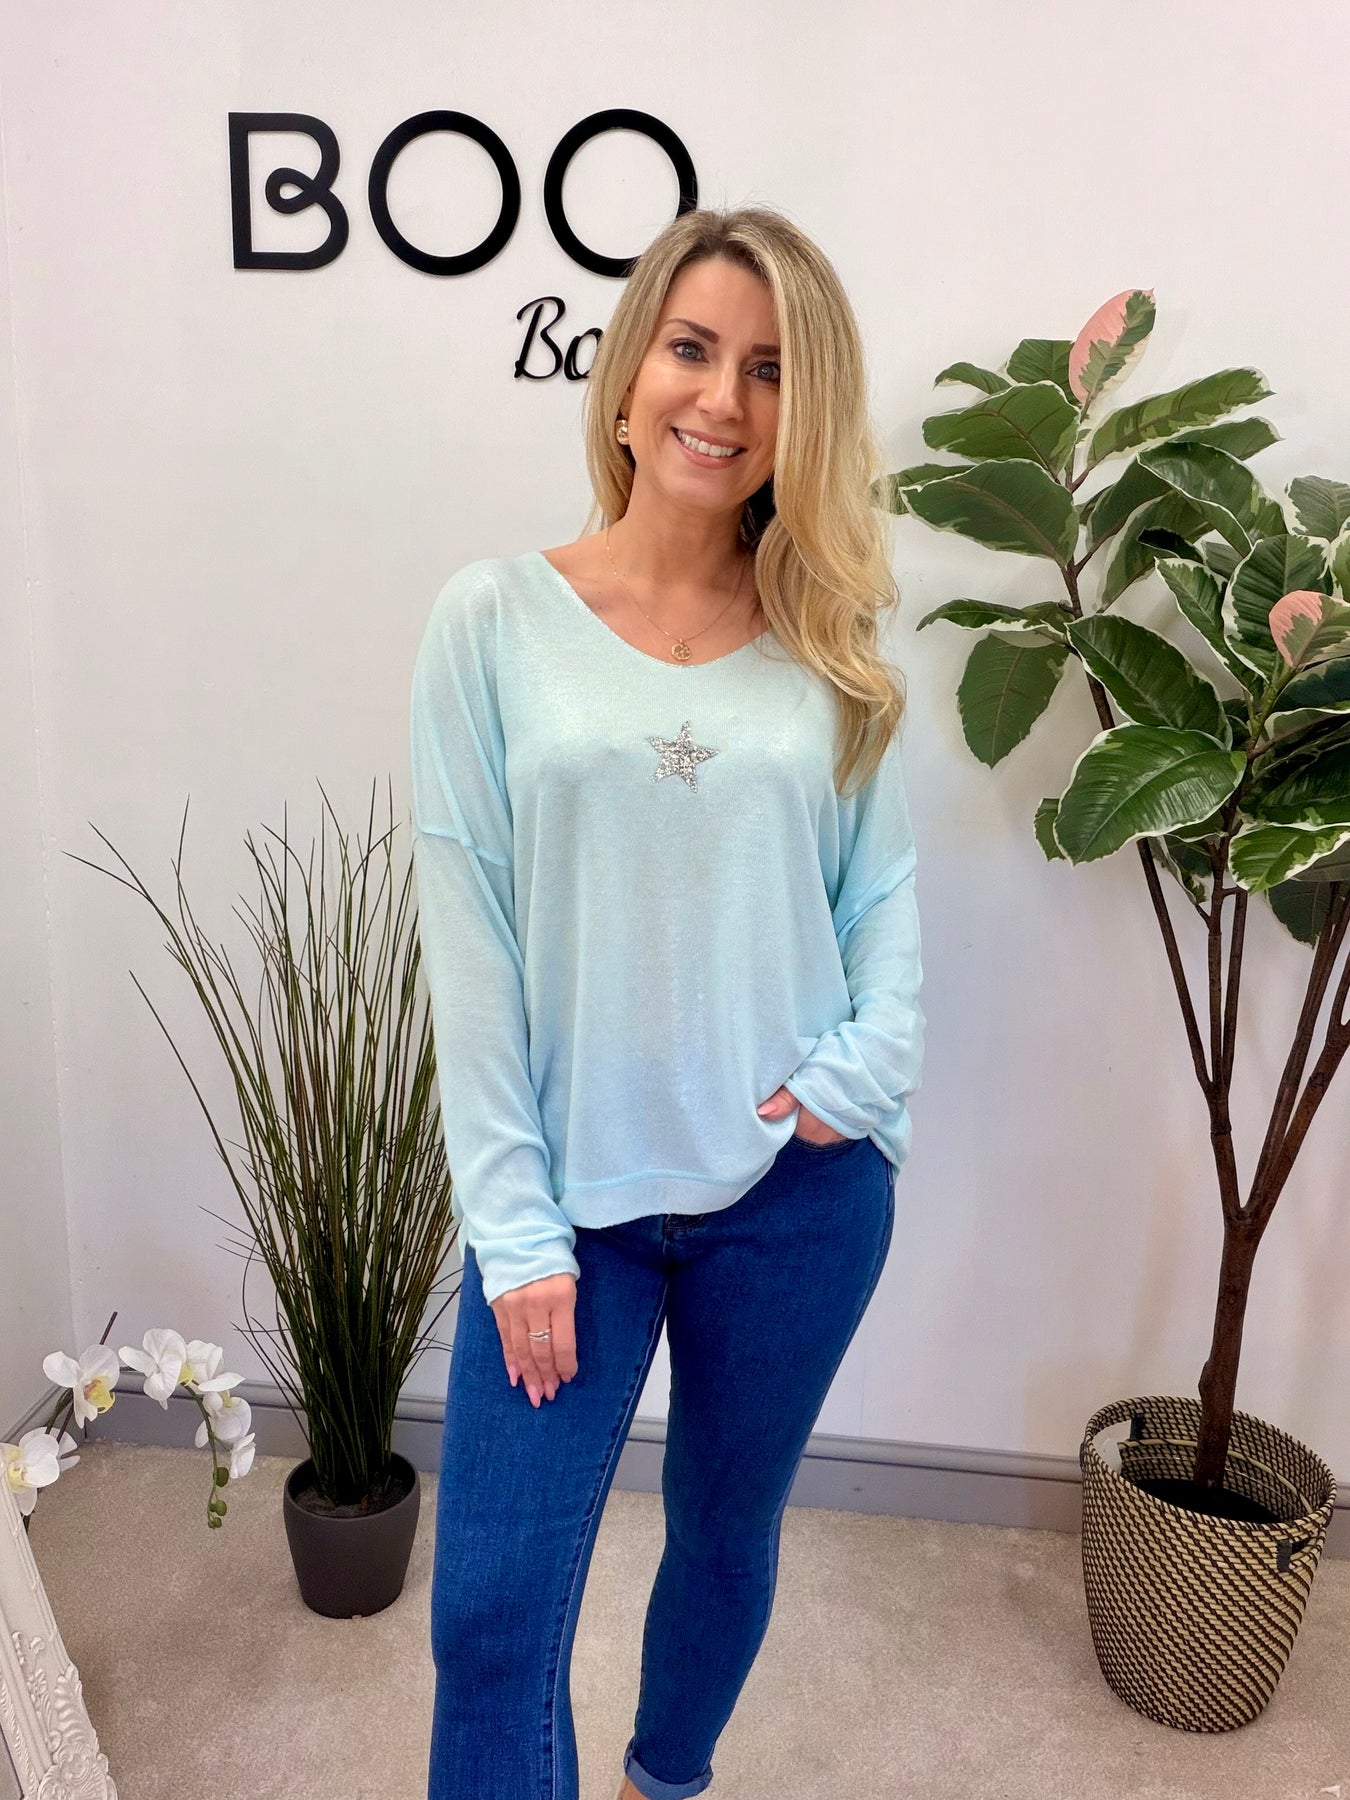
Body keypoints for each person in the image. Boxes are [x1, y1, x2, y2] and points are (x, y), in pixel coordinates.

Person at [410, 203, 924, 1800]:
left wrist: (858, 1078)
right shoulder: (492, 619)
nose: (721, 397)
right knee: (491, 1618)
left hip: (794, 1197)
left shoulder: (827, 646)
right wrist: (515, 1233)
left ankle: (663, 1780)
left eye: (769, 370)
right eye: (692, 349)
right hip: (572, 1203)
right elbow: (467, 939)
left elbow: (880, 903)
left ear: (802, 414)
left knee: (721, 1531)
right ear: (628, 372)